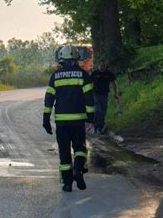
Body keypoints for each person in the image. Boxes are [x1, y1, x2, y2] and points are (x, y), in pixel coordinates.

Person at [43, 45, 94, 192]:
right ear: (76, 58)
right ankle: (78, 170)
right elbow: (89, 98)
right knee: (80, 148)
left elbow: (49, 99)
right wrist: (90, 117)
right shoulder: (83, 74)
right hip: (78, 120)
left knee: (64, 151)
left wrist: (46, 119)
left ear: (62, 59)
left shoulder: (55, 76)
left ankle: (67, 183)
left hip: (62, 122)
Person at [91, 60, 118, 134]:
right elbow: (89, 83)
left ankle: (101, 127)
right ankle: (96, 127)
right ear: (98, 66)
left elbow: (114, 84)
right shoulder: (95, 73)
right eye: (101, 66)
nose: (102, 67)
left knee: (103, 112)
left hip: (105, 95)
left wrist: (115, 93)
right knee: (97, 111)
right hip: (96, 95)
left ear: (105, 66)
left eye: (103, 66)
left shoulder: (108, 73)